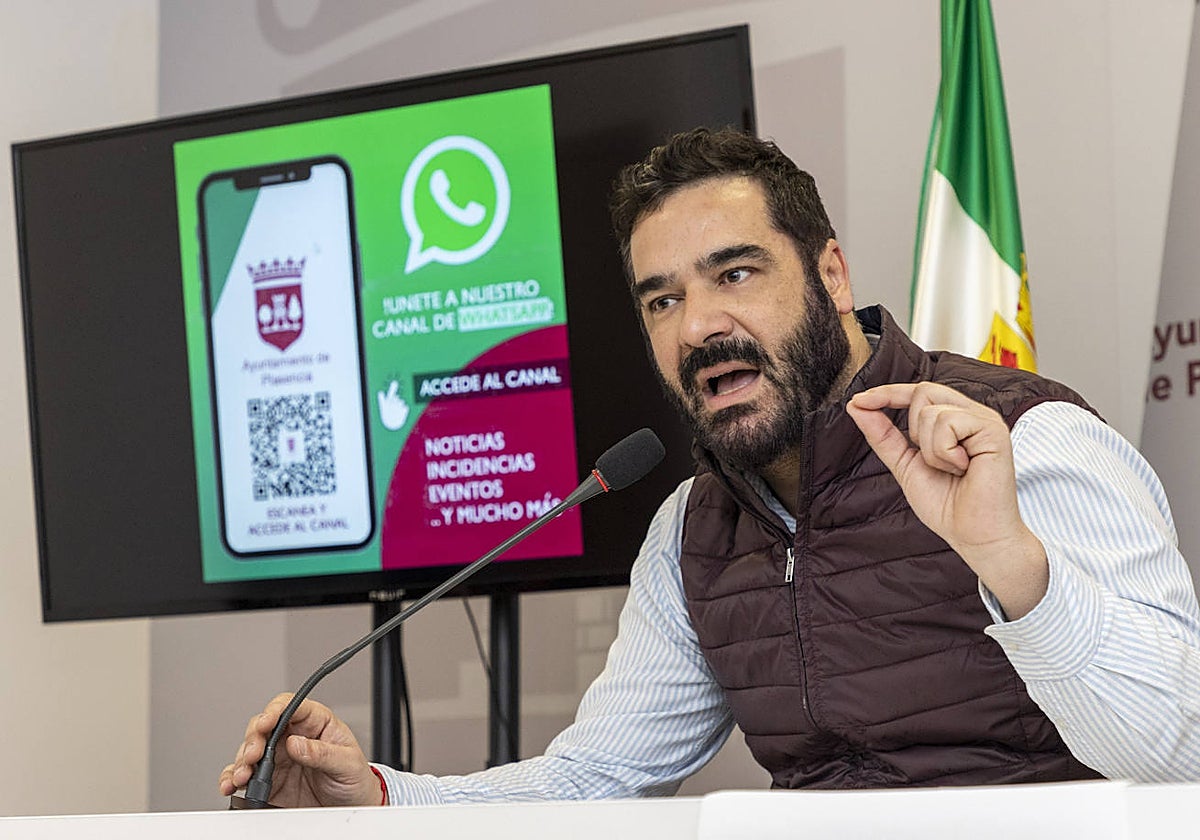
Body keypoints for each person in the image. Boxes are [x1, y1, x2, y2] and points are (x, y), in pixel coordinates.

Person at [220, 127, 1200, 807]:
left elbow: (1184, 751)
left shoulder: (1029, 441)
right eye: (662, 300)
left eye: (735, 273)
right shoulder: (693, 529)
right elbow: (595, 780)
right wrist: (378, 796)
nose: (698, 327)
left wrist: (1014, 566)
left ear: (830, 275)